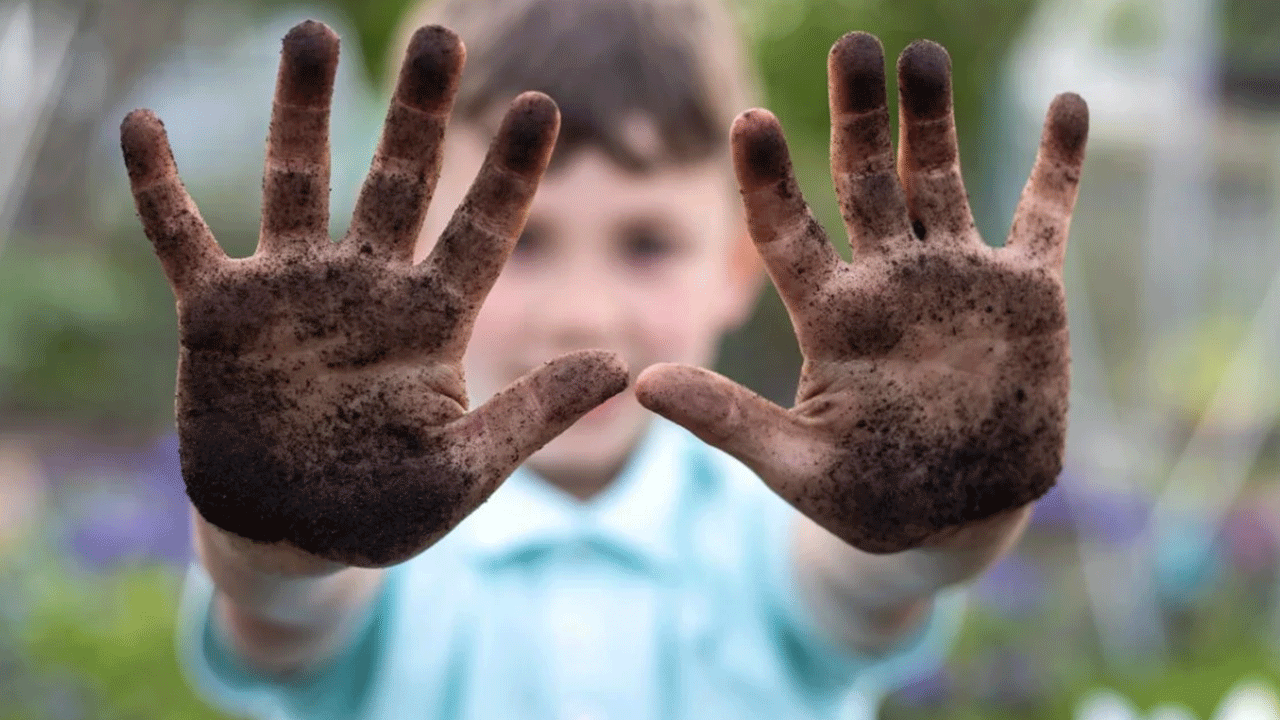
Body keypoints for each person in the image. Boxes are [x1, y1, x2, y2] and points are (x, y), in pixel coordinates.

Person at [118, 0, 1089, 717]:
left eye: (646, 244)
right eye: (518, 243)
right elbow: (288, 614)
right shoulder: (379, 530)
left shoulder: (775, 518)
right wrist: (283, 542)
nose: (583, 315)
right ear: (406, 263)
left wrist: (936, 510)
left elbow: (863, 589)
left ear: (738, 266)